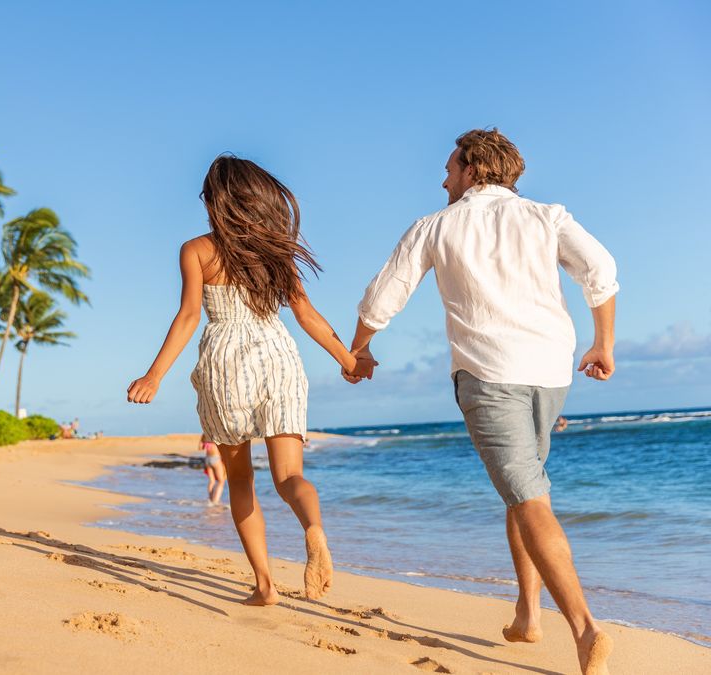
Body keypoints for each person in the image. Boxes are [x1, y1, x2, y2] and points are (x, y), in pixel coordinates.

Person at [346, 129, 616, 675]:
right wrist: (603, 343)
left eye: (449, 167)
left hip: (490, 376)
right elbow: (601, 271)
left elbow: (384, 292)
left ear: (472, 169)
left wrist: (359, 348)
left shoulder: (437, 225)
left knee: (529, 498)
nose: (443, 178)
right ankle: (527, 614)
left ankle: (586, 631)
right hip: (549, 372)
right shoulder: (548, 216)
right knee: (523, 491)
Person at [127, 155, 375, 605]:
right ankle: (313, 527)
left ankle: (264, 586)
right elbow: (305, 314)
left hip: (226, 362)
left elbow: (187, 317)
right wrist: (347, 357)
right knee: (288, 476)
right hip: (278, 357)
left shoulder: (197, 250)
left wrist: (154, 374)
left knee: (240, 481)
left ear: (217, 201)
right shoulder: (275, 250)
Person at [200, 433, 227, 505]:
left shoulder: (205, 435)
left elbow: (200, 447)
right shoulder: (217, 433)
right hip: (216, 458)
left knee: (212, 481)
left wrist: (206, 444)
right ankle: (215, 500)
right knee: (221, 481)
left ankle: (210, 499)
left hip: (207, 459)